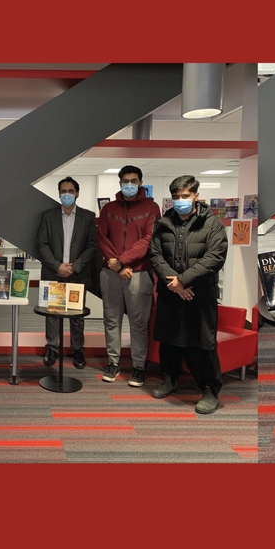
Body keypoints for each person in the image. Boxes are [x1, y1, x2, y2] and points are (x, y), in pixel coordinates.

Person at [149, 175, 228, 414]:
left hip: (199, 295)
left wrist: (183, 280)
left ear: (196, 196)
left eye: (185, 196)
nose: (180, 200)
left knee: (203, 344)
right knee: (169, 339)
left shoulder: (213, 224)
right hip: (170, 293)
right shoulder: (163, 223)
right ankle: (170, 379)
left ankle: (210, 391)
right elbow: (155, 255)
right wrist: (173, 282)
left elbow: (214, 258)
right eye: (176, 197)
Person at [96, 165, 160, 385]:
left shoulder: (152, 208)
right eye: (125, 181)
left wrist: (123, 261)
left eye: (133, 181)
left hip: (139, 273)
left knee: (139, 323)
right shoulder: (108, 208)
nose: (129, 185)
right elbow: (102, 238)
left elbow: (149, 239)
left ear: (140, 182)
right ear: (120, 183)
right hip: (110, 272)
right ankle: (113, 362)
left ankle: (138, 366)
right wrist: (117, 264)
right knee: (110, 320)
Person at [36, 177, 97, 369]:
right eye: (63, 191)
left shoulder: (88, 217)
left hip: (78, 274)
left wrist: (74, 266)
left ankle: (77, 350)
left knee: (77, 315)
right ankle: (52, 349)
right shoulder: (48, 216)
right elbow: (42, 244)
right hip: (54, 273)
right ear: (59, 193)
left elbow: (91, 246)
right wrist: (57, 266)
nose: (67, 194)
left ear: (77, 193)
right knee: (52, 314)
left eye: (71, 191)